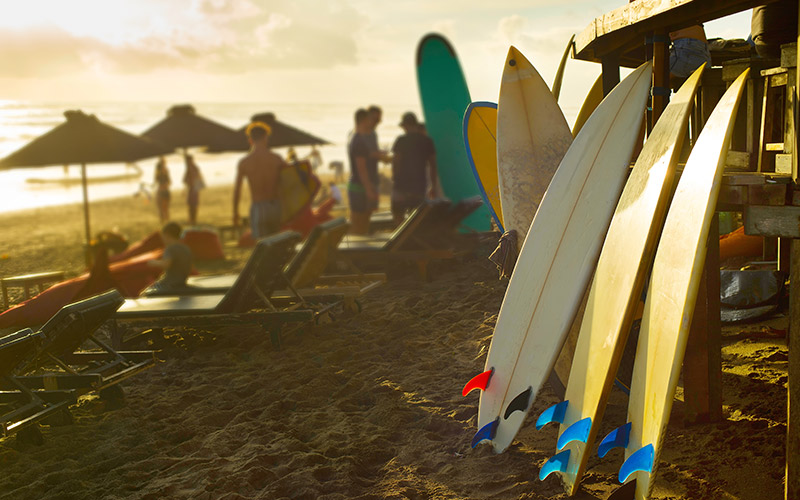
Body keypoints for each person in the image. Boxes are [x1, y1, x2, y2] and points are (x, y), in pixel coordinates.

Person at [233, 121, 285, 239]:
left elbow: (237, 190)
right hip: (276, 206)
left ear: (250, 140)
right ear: (266, 138)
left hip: (258, 207)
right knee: (279, 242)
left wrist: (235, 212)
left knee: (262, 244)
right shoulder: (277, 159)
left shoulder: (244, 162)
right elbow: (287, 183)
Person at [391, 112, 438, 224]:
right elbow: (433, 165)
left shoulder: (401, 140)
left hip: (401, 185)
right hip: (419, 186)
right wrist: (433, 186)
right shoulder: (427, 141)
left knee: (398, 214)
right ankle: (411, 237)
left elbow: (396, 162)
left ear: (405, 125)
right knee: (416, 218)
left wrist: (395, 177)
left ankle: (400, 235)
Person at [347, 108, 379, 234]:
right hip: (359, 186)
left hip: (360, 184)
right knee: (359, 221)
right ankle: (355, 249)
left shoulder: (353, 136)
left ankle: (360, 245)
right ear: (364, 120)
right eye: (369, 120)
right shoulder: (358, 140)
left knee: (364, 220)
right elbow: (361, 168)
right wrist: (369, 189)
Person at [142, 221, 192, 295]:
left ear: (167, 235)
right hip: (182, 281)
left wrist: (154, 262)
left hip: (170, 284)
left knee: (144, 293)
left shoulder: (170, 249)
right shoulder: (185, 248)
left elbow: (166, 264)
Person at [183, 154, 205, 225]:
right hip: (192, 188)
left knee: (193, 205)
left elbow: (197, 178)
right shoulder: (191, 168)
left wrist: (195, 186)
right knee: (191, 205)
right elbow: (185, 180)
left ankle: (193, 219)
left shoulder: (193, 168)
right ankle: (192, 219)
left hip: (194, 189)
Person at [154, 156, 171, 223]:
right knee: (163, 208)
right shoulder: (160, 172)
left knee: (164, 208)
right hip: (163, 190)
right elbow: (157, 180)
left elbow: (169, 182)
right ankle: (164, 221)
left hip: (163, 190)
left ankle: (166, 221)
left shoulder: (166, 171)